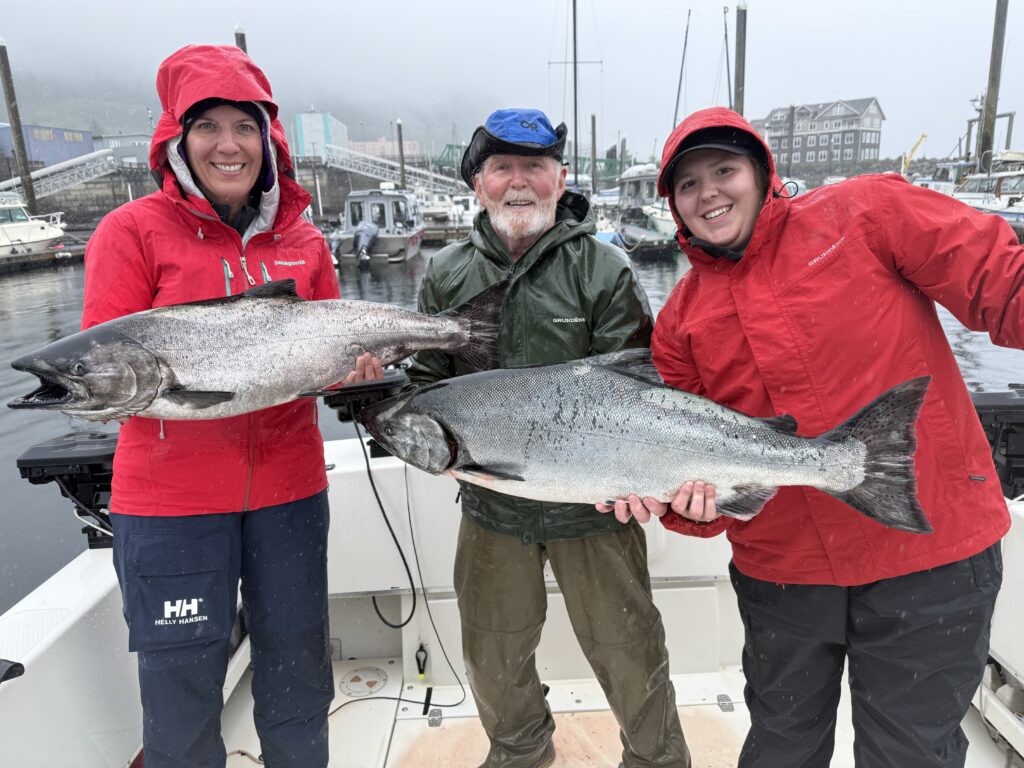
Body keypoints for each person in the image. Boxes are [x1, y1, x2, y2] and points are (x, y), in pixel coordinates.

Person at [600, 106, 1023, 767]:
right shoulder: (680, 322)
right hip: (785, 575)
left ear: (761, 172)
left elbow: (1001, 282)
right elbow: (694, 472)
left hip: (930, 554)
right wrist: (682, 505)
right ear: (674, 207)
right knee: (781, 750)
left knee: (911, 755)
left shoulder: (867, 212)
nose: (708, 192)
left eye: (723, 170)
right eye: (687, 184)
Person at [82, 44, 381, 768]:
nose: (228, 144)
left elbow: (321, 364)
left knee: (298, 669)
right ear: (178, 139)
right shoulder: (130, 233)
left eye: (244, 127)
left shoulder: (303, 240)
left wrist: (355, 373)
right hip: (169, 504)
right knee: (181, 682)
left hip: (291, 493)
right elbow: (104, 371)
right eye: (208, 125)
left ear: (267, 139)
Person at [405, 108, 691, 768]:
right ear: (477, 183)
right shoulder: (446, 274)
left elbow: (639, 392)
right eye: (502, 167)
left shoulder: (605, 270)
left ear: (560, 179)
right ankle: (520, 754)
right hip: (491, 505)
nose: (519, 182)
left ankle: (658, 761)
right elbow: (427, 380)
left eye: (535, 167)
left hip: (596, 507)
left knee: (629, 648)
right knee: (492, 649)